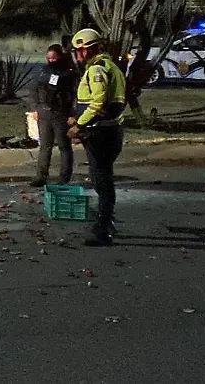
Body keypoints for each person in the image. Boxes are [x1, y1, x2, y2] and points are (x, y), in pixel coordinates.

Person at [68, 28, 127, 247]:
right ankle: (106, 222)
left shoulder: (96, 70)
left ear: (88, 49)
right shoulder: (111, 67)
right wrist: (77, 118)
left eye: (79, 50)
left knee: (101, 180)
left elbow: (97, 102)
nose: (78, 54)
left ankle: (102, 229)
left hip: (100, 132)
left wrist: (79, 124)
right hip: (109, 129)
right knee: (104, 177)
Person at [30, 44, 78, 187]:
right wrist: (35, 108)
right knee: (45, 146)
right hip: (44, 113)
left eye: (54, 57)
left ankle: (64, 177)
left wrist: (73, 114)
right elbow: (33, 90)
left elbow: (76, 95)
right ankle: (41, 176)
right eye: (49, 57)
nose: (51, 60)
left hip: (61, 113)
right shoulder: (42, 72)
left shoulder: (70, 74)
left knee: (64, 146)